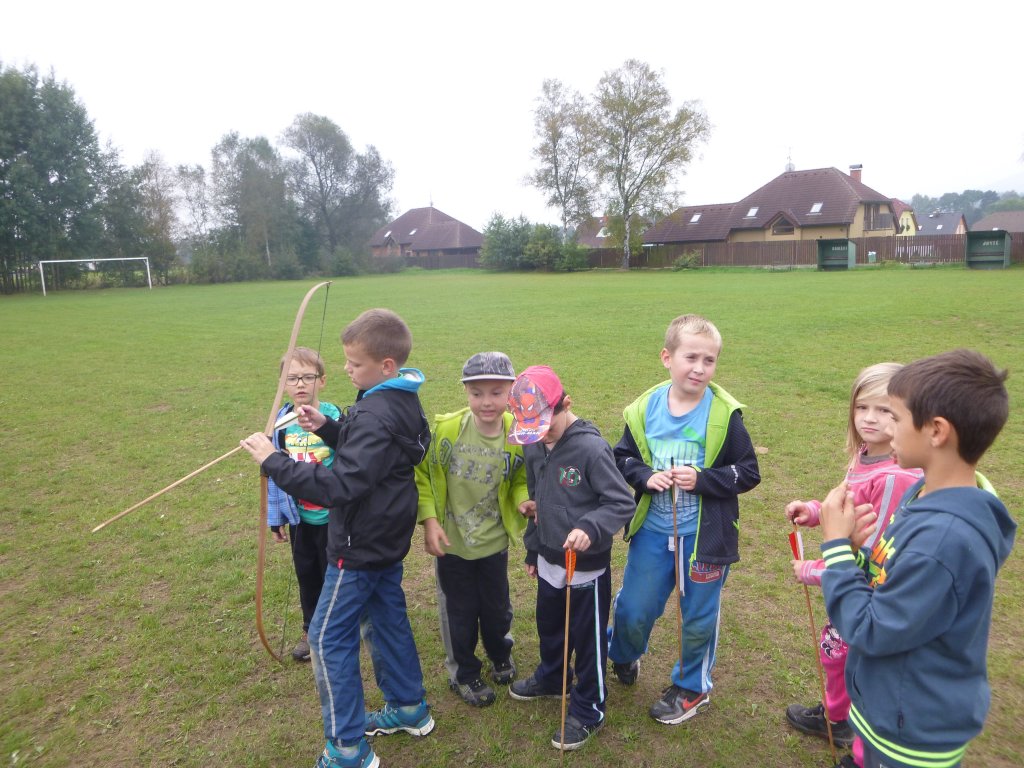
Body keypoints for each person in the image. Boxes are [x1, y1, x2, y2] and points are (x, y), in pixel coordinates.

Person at [240, 308, 434, 768]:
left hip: (359, 546)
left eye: (354, 363)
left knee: (326, 639)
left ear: (386, 365)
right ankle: (409, 708)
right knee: (385, 620)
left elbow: (341, 485)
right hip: (386, 536)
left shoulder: (374, 412)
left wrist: (273, 461)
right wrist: (328, 428)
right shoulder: (399, 397)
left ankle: (347, 749)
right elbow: (373, 451)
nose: (345, 369)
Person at [819, 349, 1014, 768]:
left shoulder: (943, 541)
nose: (887, 427)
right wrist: (856, 551)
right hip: (888, 704)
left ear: (936, 431)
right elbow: (892, 578)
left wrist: (835, 550)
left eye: (896, 416)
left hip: (910, 732)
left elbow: (870, 628)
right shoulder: (923, 493)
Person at [607, 313, 761, 725]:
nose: (699, 368)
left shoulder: (725, 414)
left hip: (705, 539)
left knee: (698, 617)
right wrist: (645, 476)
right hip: (653, 531)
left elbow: (748, 472)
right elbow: (622, 458)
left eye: (709, 360)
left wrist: (703, 479)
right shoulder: (644, 409)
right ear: (667, 357)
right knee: (634, 608)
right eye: (690, 357)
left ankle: (692, 687)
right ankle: (623, 653)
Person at [783, 363, 923, 759]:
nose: (869, 419)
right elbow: (848, 507)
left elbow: (876, 556)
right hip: (849, 587)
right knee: (835, 654)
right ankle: (836, 714)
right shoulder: (865, 455)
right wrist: (814, 511)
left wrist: (813, 570)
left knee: (852, 662)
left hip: (869, 597)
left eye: (884, 411)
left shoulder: (896, 477)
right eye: (862, 408)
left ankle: (849, 728)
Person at [505, 365, 635, 751]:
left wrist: (591, 527)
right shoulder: (533, 442)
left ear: (565, 404)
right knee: (550, 625)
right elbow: (536, 498)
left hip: (586, 568)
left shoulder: (591, 449)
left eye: (545, 425)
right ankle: (553, 678)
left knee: (587, 639)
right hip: (548, 558)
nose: (540, 434)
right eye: (532, 429)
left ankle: (589, 707)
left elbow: (621, 502)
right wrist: (533, 547)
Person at [415, 351, 529, 707]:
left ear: (511, 391)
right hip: (453, 545)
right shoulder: (448, 430)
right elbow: (423, 476)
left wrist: (524, 500)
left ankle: (500, 654)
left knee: (497, 609)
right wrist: (430, 521)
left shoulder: (518, 434)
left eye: (496, 392)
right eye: (477, 393)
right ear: (465, 391)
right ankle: (463, 673)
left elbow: (522, 478)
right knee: (460, 613)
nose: (486, 402)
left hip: (494, 543)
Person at [266, 346, 342, 662]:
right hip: (300, 520)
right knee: (307, 576)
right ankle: (311, 630)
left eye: (307, 377)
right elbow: (274, 474)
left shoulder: (334, 417)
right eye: (292, 378)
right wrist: (276, 517)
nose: (300, 384)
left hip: (333, 519)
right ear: (283, 384)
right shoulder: (280, 425)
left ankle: (337, 628)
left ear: (321, 380)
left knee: (334, 577)